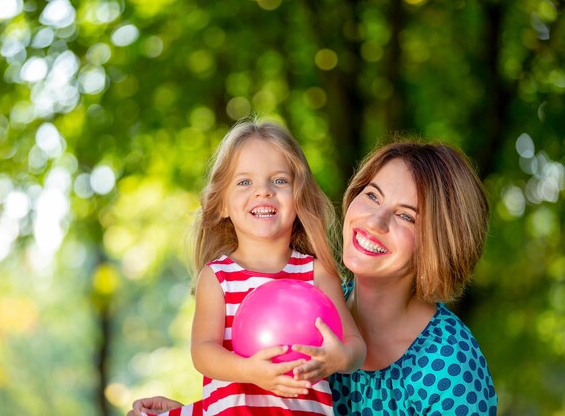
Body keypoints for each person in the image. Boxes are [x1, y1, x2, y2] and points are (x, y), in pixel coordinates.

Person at [128, 140, 498, 416]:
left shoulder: (450, 366)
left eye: (406, 216)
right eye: (372, 196)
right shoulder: (305, 303)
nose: (373, 221)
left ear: (441, 241)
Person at [139, 120, 367, 416]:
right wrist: (249, 371)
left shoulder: (317, 274)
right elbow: (203, 352)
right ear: (221, 204)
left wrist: (339, 358)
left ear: (299, 198)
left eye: (280, 181)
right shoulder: (218, 278)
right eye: (245, 182)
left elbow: (355, 345)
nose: (263, 192)